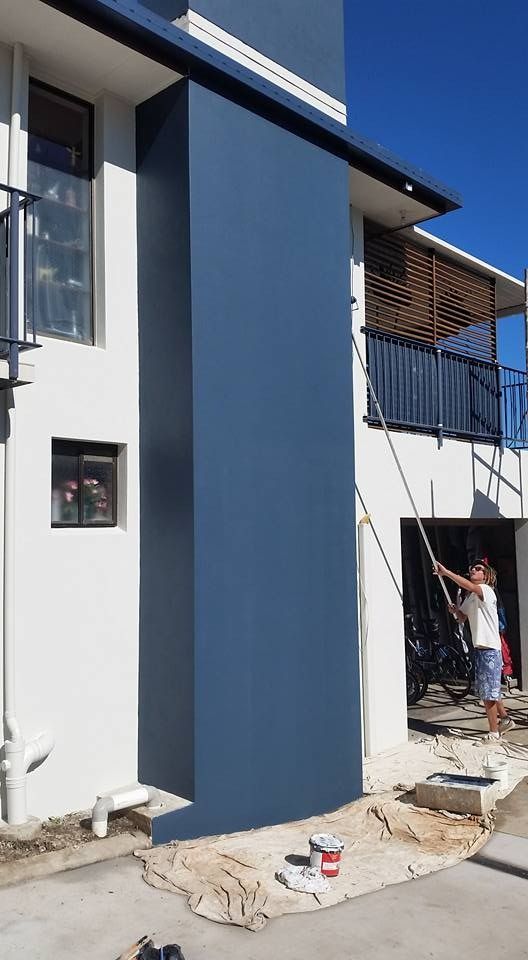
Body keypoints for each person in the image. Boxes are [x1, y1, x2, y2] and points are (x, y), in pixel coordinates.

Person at [433, 558, 515, 742]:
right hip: (481, 649)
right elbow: (462, 618)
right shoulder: (471, 597)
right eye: (472, 568)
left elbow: (470, 586)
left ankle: (494, 733)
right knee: (490, 689)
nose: (473, 570)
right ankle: (506, 719)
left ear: (485, 576)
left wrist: (446, 573)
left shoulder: (486, 590)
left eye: (478, 569)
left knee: (488, 694)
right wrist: (455, 611)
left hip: (489, 649)